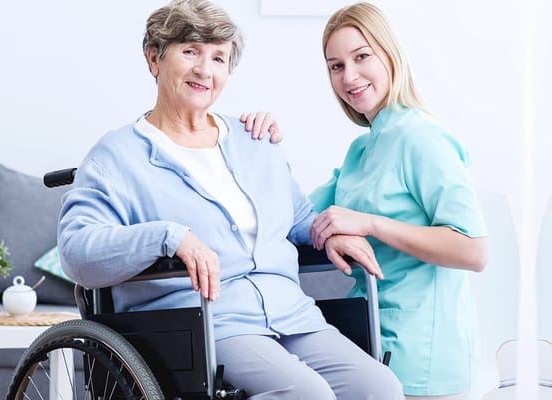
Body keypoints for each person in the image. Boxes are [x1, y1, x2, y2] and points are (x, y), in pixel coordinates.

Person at [58, 0, 403, 398]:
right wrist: (168, 237)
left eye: (218, 58)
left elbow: (296, 218)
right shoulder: (117, 157)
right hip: (204, 324)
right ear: (154, 58)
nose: (205, 70)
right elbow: (77, 251)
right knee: (307, 395)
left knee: (380, 388)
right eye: (190, 52)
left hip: (291, 314)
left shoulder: (253, 139)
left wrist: (327, 232)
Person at [308, 3, 489, 399]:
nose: (349, 76)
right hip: (370, 344)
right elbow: (301, 215)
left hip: (424, 356)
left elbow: (474, 250)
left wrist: (371, 224)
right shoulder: (361, 151)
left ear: (389, 54)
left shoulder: (422, 139)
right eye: (336, 66)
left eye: (361, 56)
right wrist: (258, 140)